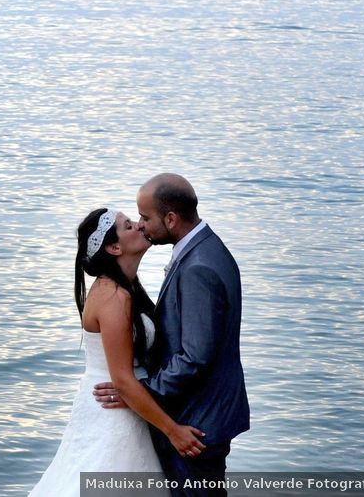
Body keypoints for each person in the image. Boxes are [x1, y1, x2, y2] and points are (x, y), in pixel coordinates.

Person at [28, 207, 206, 497]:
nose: (138, 225)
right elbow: (122, 379)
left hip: (127, 403)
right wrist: (174, 431)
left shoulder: (127, 289)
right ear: (114, 247)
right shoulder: (113, 296)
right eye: (128, 225)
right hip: (114, 410)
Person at [94, 174, 250, 496]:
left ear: (170, 219)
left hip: (198, 421)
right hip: (205, 411)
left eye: (146, 218)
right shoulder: (207, 248)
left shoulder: (197, 268)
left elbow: (194, 357)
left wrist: (140, 393)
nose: (141, 225)